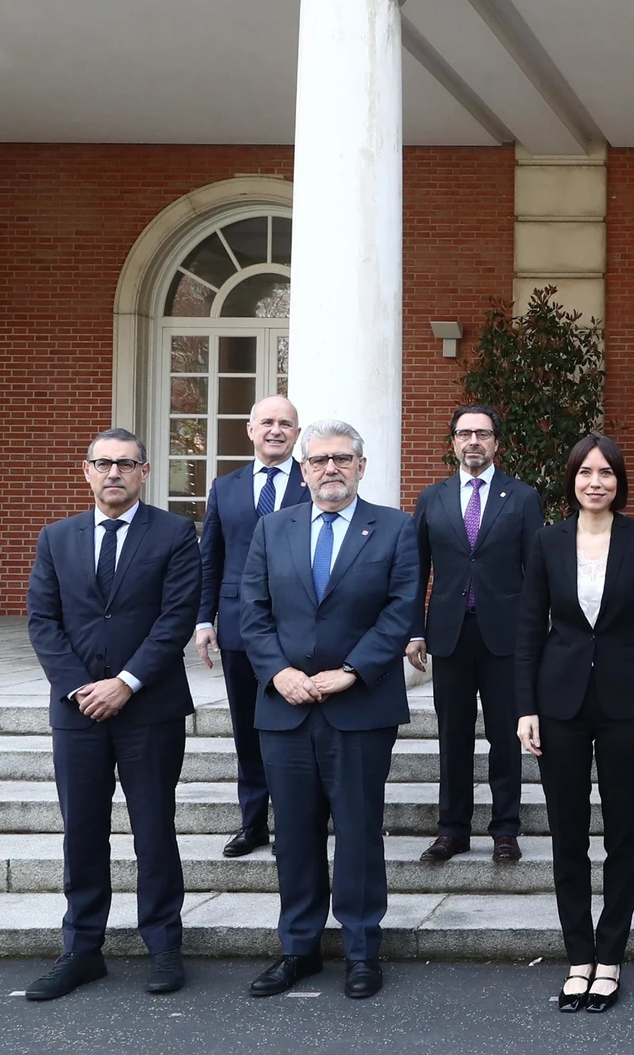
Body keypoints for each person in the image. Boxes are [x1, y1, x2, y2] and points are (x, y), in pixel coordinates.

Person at [240, 419, 419, 1000]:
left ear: (361, 467)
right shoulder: (273, 528)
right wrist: (280, 672)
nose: (330, 469)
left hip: (360, 706)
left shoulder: (394, 528)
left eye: (342, 458)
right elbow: (253, 609)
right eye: (318, 460)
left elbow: (399, 611)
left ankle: (363, 950)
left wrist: (348, 673)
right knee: (293, 834)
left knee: (360, 832)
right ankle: (299, 948)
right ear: (304, 467)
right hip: (286, 707)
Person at [24, 429, 201, 1000]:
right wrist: (82, 689)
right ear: (86, 470)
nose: (114, 473)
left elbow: (176, 619)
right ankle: (81, 950)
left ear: (145, 473)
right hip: (78, 712)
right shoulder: (56, 538)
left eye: (126, 464)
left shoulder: (175, 534)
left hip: (149, 706)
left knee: (153, 828)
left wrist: (124, 683)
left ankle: (165, 947)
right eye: (103, 463)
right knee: (82, 831)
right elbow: (43, 623)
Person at [516, 435, 634, 1014]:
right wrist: (524, 709)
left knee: (624, 836)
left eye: (606, 473)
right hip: (559, 707)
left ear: (619, 481)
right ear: (572, 480)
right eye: (585, 472)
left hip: (628, 707)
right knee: (568, 838)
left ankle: (611, 958)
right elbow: (529, 630)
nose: (596, 482)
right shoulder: (546, 541)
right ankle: (578, 957)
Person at [406, 405, 544, 864]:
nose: (473, 442)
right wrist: (413, 631)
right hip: (448, 634)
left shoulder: (522, 498)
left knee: (506, 736)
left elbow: (536, 572)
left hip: (505, 637)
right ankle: (453, 830)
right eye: (465, 434)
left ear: (496, 444)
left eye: (482, 434)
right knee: (454, 736)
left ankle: (505, 829)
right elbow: (415, 570)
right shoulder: (432, 498)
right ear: (453, 443)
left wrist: (535, 635)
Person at [194, 396, 308, 858]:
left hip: (299, 628)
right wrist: (204, 618)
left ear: (297, 434)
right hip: (240, 625)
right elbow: (210, 558)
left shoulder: (314, 477)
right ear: (250, 429)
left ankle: (299, 823)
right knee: (248, 728)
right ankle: (253, 823)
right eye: (267, 422)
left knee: (296, 727)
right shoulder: (226, 487)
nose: (275, 430)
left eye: (285, 423)